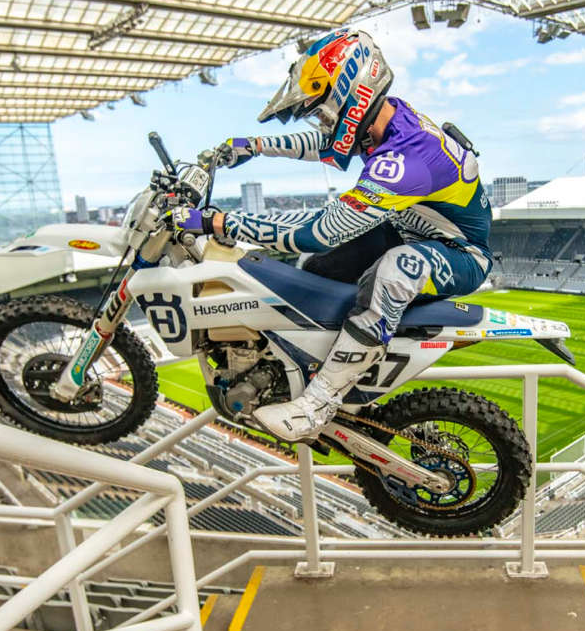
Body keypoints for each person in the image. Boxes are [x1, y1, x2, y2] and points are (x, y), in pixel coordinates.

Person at [172, 28, 492, 441]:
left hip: (460, 254)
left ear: (350, 94)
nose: (322, 122)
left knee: (393, 270)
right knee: (314, 271)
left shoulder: (408, 158)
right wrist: (252, 145)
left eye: (323, 111)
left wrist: (219, 222)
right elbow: (326, 144)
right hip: (407, 230)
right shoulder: (386, 119)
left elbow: (318, 232)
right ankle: (325, 367)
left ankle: (318, 404)